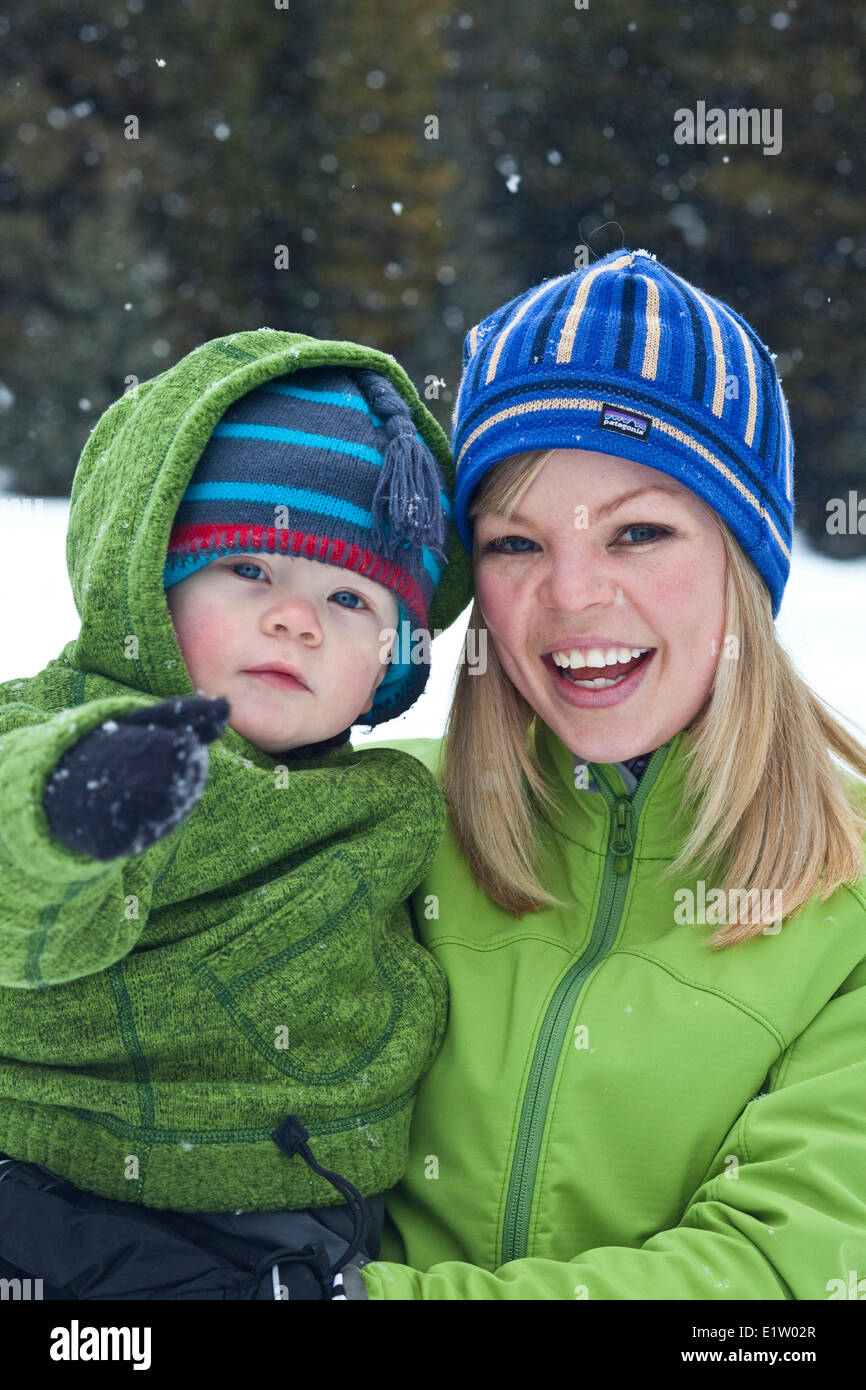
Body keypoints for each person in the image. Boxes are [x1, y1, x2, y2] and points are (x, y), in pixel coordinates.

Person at [351, 247, 866, 1299]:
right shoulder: (373, 825)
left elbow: (784, 1283)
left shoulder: (847, 894)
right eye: (513, 543)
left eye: (638, 531)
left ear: (744, 555)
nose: (572, 595)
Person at [0, 328, 471, 1300]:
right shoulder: (66, 732)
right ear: (149, 575)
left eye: (348, 595)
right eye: (250, 569)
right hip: (54, 1199)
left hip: (305, 1235)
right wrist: (73, 806)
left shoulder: (391, 804)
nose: (296, 618)